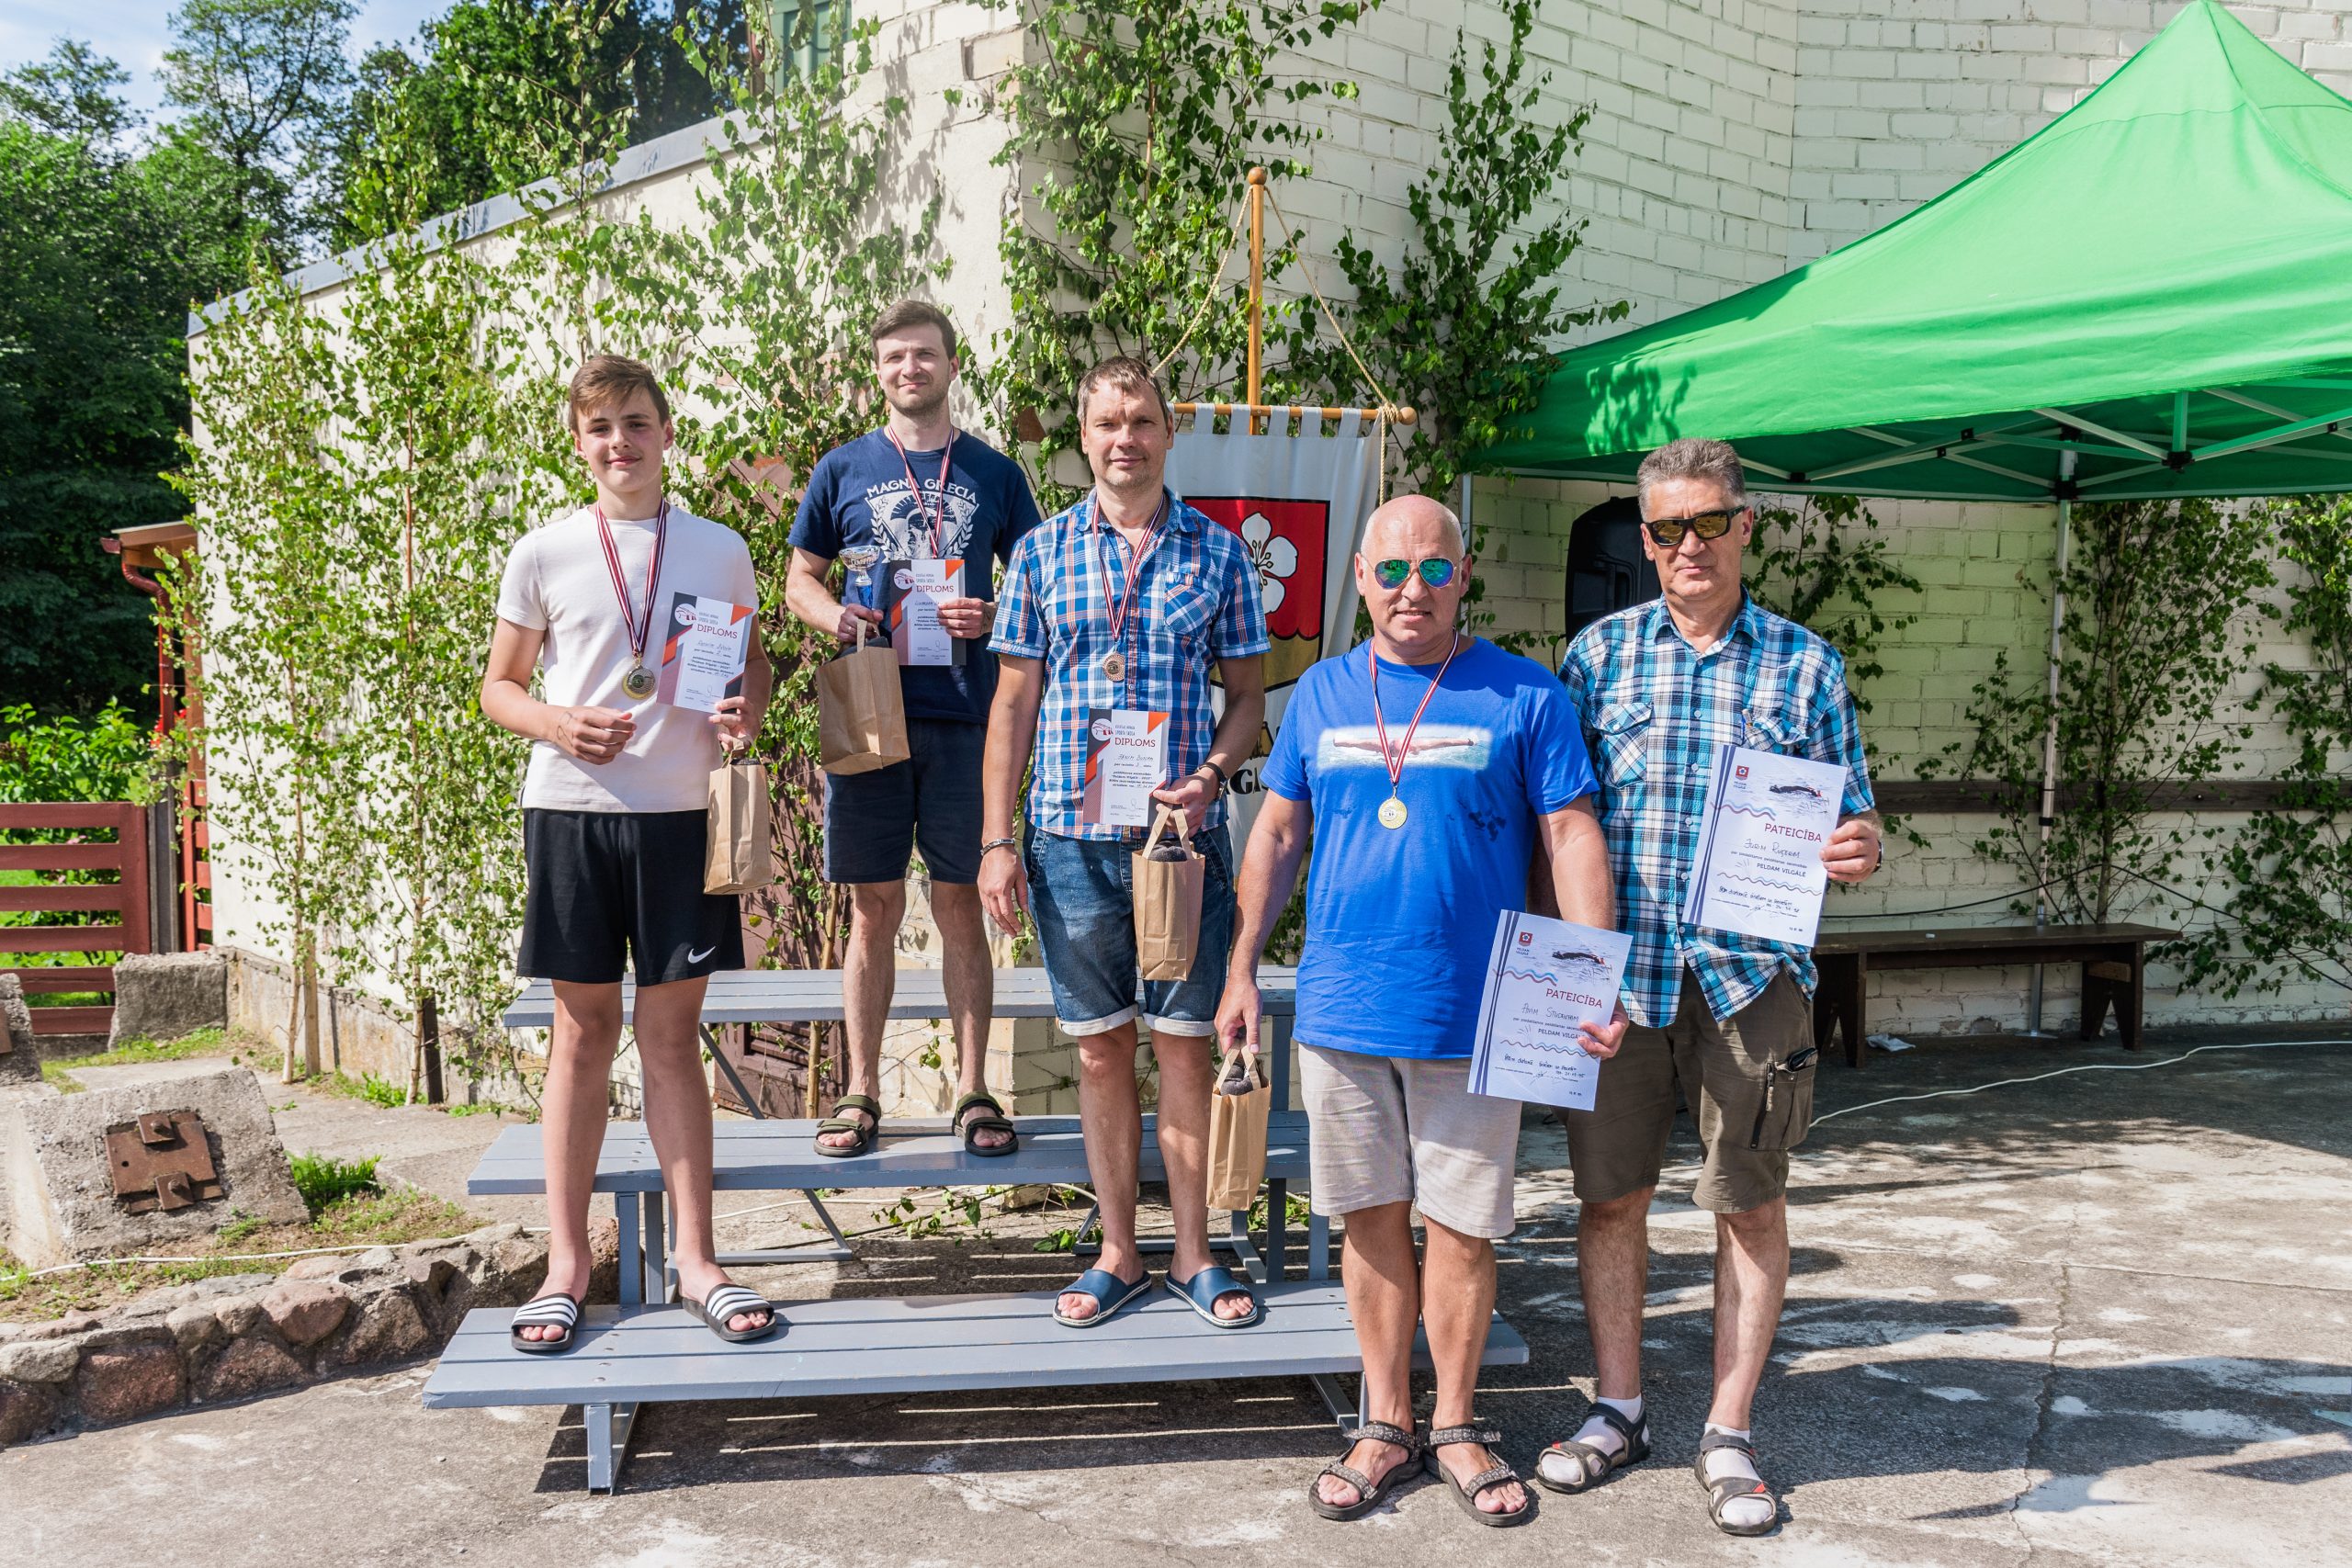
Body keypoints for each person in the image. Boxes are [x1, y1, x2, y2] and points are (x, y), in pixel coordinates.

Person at [1218, 494, 1625, 1529]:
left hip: (1476, 1012)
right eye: (1393, 570)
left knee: (1462, 1227)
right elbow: (1275, 837)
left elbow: (1572, 833)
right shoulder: (1319, 692)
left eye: (1434, 569)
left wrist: (1596, 974)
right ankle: (1385, 1423)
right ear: (1360, 578)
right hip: (1344, 1007)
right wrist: (1239, 969)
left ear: (1463, 574)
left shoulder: (1524, 693)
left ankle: (1455, 1423)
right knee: (1368, 1220)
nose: (1413, 589)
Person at [1544, 437, 1883, 1536]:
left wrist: (1858, 846)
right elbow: (1559, 819)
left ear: (1743, 526)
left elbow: (1853, 815)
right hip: (1622, 980)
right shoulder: (1595, 658)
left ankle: (1728, 1432)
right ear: (1644, 542)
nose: (1686, 546)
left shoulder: (1807, 667)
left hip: (1749, 982)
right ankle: (1618, 1409)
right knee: (1610, 1200)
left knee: (1749, 1202)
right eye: (1664, 529)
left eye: (1705, 523)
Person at [482, 355, 777, 1352]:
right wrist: (559, 724)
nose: (622, 442)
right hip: (571, 812)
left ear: (666, 433)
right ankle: (566, 1266)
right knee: (580, 1033)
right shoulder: (544, 550)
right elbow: (498, 688)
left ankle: (699, 1261)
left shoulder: (720, 548)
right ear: (579, 442)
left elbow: (750, 665)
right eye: (601, 427)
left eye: (638, 422)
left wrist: (746, 709)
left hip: (680, 816)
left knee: (670, 1037)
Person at [979, 355, 1268, 1330]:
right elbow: (1011, 707)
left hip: (1179, 844)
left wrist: (1214, 773)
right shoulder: (1039, 554)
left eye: (1141, 420)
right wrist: (996, 840)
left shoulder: (1218, 554)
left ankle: (1192, 1253)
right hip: (1069, 843)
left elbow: (1246, 699)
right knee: (1101, 1054)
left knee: (1182, 1051)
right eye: (1107, 423)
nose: (1125, 439)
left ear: (1168, 431)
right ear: (1083, 437)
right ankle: (1117, 1252)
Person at [786, 300, 1043, 1159]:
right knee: (873, 905)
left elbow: (1037, 586)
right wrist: (834, 618)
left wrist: (994, 614)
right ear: (879, 371)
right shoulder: (842, 468)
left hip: (967, 718)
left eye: (925, 355)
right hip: (869, 710)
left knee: (960, 901)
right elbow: (798, 580)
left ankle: (972, 1088)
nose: (910, 369)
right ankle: (861, 1089)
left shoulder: (996, 473)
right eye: (895, 357)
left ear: (951, 365)